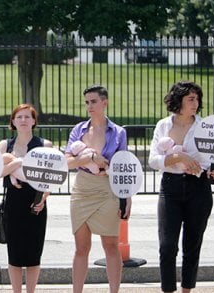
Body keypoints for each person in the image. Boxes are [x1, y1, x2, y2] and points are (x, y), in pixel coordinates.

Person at [148, 81, 214, 293]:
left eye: (197, 99)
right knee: (167, 245)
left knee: (192, 244)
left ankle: (187, 289)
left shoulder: (205, 126)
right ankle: (168, 290)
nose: (195, 103)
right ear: (178, 101)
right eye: (190, 99)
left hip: (199, 188)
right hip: (170, 187)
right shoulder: (163, 126)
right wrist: (178, 156)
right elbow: (153, 160)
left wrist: (210, 171)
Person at [64, 85, 130, 293]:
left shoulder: (119, 132)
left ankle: (114, 291)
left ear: (104, 102)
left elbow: (124, 166)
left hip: (107, 189)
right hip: (82, 188)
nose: (89, 106)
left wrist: (126, 198)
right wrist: (89, 157)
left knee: (111, 245)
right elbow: (66, 161)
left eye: (93, 101)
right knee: (81, 248)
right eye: (86, 102)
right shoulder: (79, 130)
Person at [0, 104, 53, 293]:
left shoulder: (45, 145)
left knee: (33, 255)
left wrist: (43, 199)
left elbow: (50, 178)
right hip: (13, 203)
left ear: (34, 121)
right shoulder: (5, 145)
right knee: (14, 255)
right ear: (12, 121)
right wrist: (18, 163)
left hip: (36, 201)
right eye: (19, 117)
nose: (23, 120)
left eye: (27, 117)